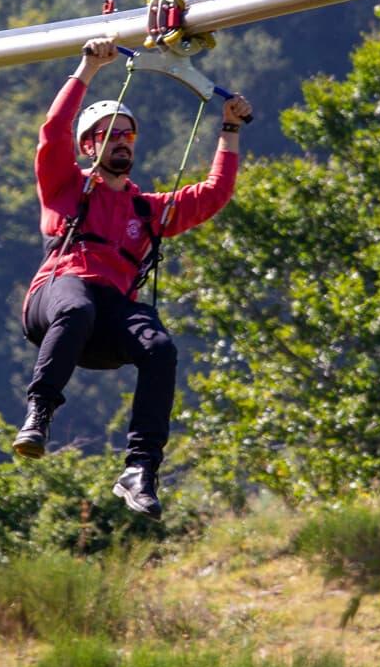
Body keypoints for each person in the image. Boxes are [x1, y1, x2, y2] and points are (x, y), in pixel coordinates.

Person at [14, 36, 252, 519]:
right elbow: (53, 131)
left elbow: (213, 194)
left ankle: (140, 468)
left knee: (160, 348)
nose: (121, 141)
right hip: (58, 299)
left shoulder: (148, 211)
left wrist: (229, 129)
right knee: (77, 304)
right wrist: (87, 70)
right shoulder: (65, 185)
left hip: (107, 321)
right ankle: (40, 411)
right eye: (109, 134)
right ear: (89, 146)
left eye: (127, 134)